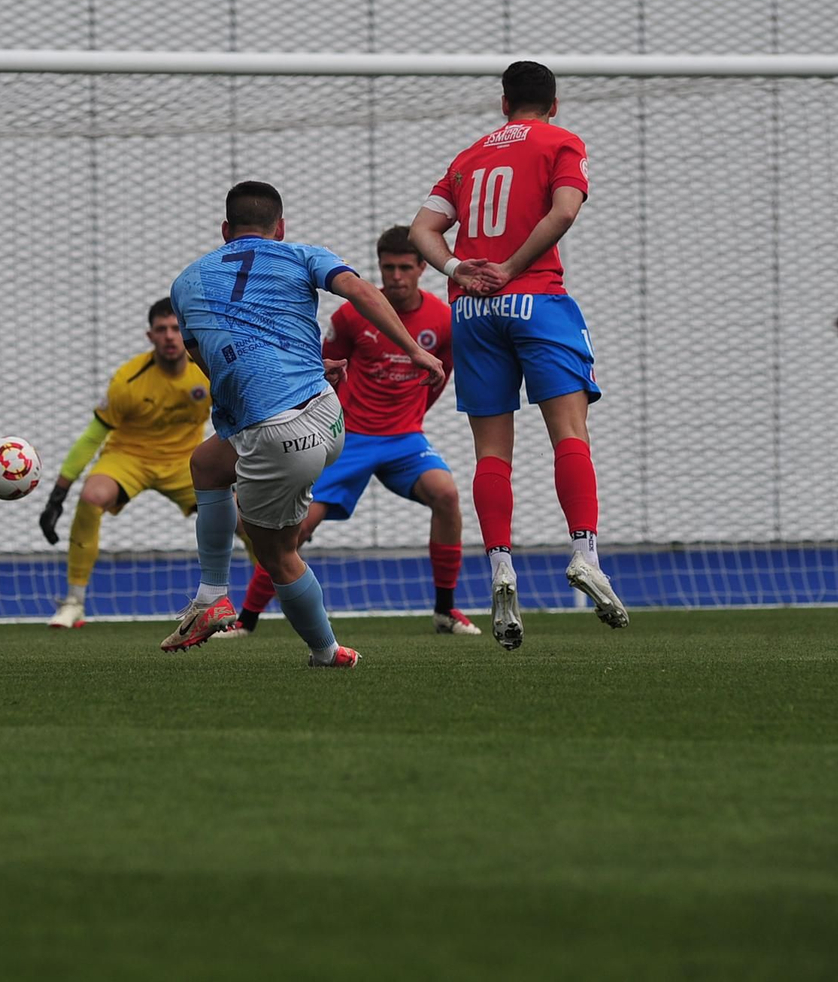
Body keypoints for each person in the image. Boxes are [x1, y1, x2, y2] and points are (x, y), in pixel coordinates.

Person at [162, 181, 446, 667]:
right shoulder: (300, 254)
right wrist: (415, 349)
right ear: (281, 227)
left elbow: (205, 357)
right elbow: (357, 290)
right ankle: (212, 593)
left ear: (226, 230)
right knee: (207, 465)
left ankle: (325, 650)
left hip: (278, 434)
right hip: (329, 414)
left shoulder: (187, 282)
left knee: (277, 555)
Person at [409, 60, 628, 652]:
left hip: (472, 311)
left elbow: (421, 231)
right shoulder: (562, 141)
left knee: (491, 452)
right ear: (553, 103)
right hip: (536, 300)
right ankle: (584, 553)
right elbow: (563, 210)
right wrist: (511, 267)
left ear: (503, 103)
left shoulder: (469, 155)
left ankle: (501, 568)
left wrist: (458, 268)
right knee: (570, 433)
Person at [227, 225, 478, 638]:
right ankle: (247, 620)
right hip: (350, 439)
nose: (395, 276)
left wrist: (411, 419)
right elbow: (319, 369)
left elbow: (440, 375)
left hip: (404, 440)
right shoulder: (351, 315)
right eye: (387, 268)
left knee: (447, 495)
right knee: (299, 528)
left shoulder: (442, 320)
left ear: (421, 268)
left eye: (404, 268)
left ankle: (445, 610)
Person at [39, 298, 212, 629]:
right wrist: (57, 496)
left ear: (186, 331)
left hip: (184, 461)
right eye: (161, 330)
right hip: (129, 456)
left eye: (176, 328)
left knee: (242, 515)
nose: (170, 336)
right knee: (91, 498)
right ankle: (73, 602)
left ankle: (269, 594)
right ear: (150, 336)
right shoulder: (128, 380)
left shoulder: (206, 370)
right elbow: (92, 437)